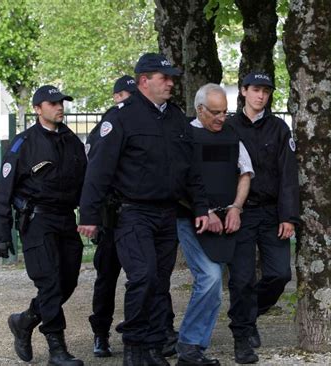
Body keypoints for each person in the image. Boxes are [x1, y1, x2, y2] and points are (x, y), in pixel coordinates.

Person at [78, 53, 209, 366]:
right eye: (164, 78)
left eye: (172, 78)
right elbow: (99, 171)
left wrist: (201, 207)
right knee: (144, 276)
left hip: (168, 213)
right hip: (132, 212)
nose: (171, 83)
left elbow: (191, 170)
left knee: (159, 281)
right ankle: (135, 348)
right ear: (144, 81)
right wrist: (89, 215)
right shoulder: (121, 117)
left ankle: (152, 347)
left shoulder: (176, 118)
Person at [0, 85, 87, 366]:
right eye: (52, 103)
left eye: (61, 102)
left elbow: (86, 184)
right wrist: (1, 235)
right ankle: (56, 348)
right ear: (37, 109)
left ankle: (25, 320)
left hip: (65, 219)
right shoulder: (23, 144)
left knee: (66, 282)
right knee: (49, 283)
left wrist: (95, 219)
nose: (59, 107)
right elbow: (3, 193)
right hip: (37, 220)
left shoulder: (72, 142)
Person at [175, 84, 254, 366]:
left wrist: (236, 207)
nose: (223, 118)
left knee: (220, 282)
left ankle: (191, 347)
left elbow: (245, 172)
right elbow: (178, 181)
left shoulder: (232, 136)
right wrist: (204, 211)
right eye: (216, 113)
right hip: (193, 220)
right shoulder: (184, 136)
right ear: (200, 110)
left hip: (228, 220)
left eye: (225, 112)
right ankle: (190, 346)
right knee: (209, 280)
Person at [226, 72, 299, 364]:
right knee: (241, 279)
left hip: (272, 213)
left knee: (280, 273)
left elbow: (288, 176)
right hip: (241, 213)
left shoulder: (279, 129)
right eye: (256, 90)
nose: (261, 96)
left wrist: (289, 217)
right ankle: (242, 337)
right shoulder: (228, 127)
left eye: (266, 91)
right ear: (243, 91)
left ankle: (248, 313)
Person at [86, 75, 136, 358]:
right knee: (106, 277)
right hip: (110, 216)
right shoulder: (106, 126)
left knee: (140, 277)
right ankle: (100, 333)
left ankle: (137, 330)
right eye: (125, 96)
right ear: (116, 97)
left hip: (134, 215)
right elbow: (95, 173)